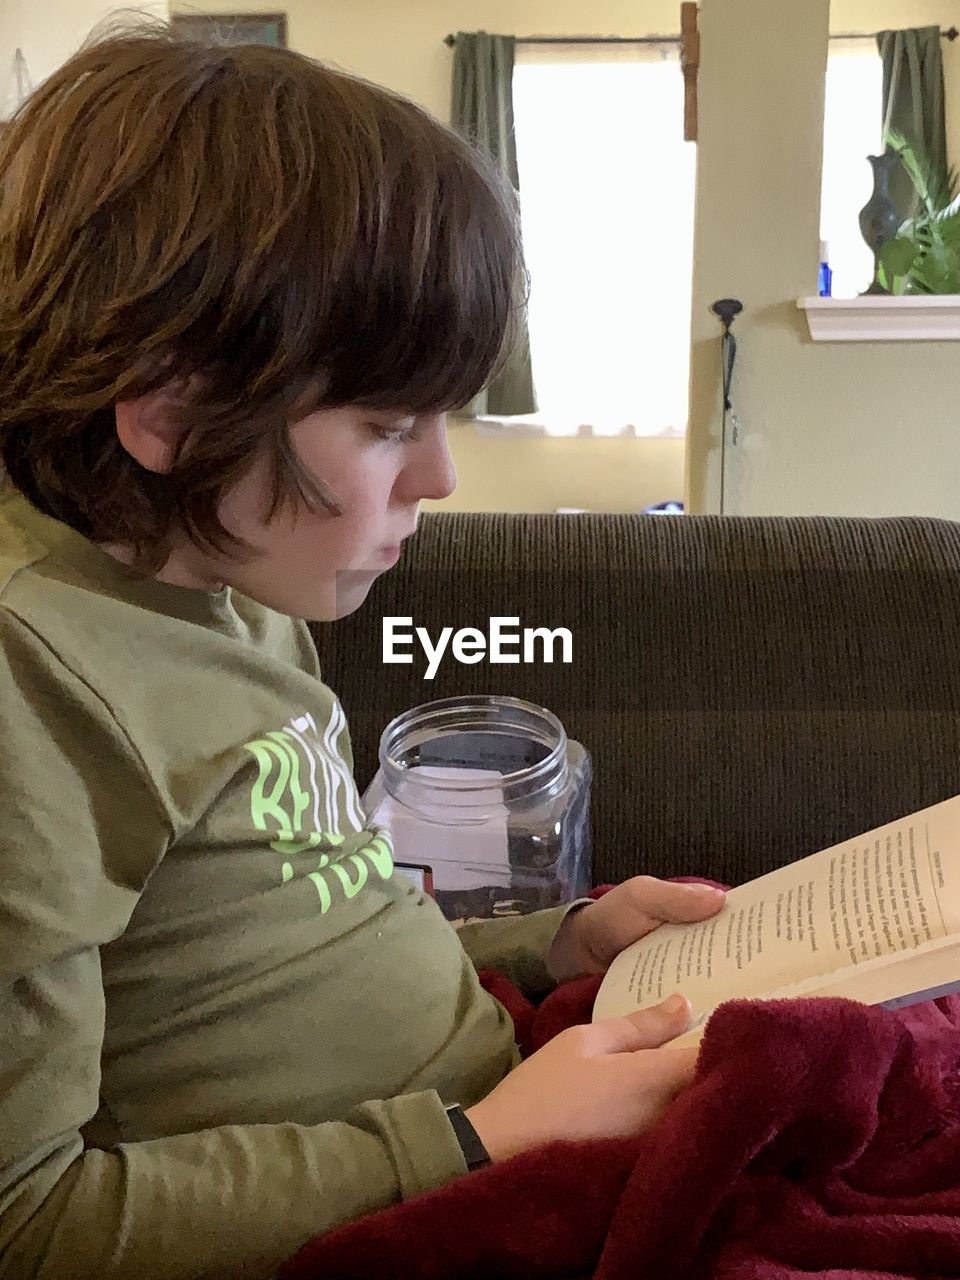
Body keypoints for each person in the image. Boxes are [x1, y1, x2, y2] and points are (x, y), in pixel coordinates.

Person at [0, 25, 726, 1279]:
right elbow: (33, 1219)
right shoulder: (38, 681)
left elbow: (295, 937)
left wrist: (551, 942)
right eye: (391, 424)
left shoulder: (232, 569)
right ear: (170, 412)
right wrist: (475, 1142)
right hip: (417, 1189)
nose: (441, 476)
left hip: (494, 1091)